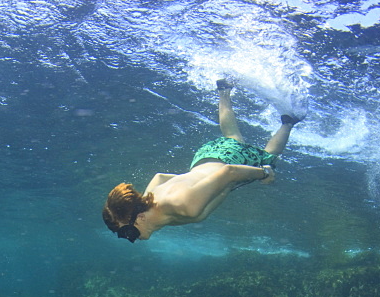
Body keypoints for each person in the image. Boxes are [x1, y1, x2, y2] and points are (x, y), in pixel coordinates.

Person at [102, 80, 304, 242]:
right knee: (232, 137)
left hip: (227, 163)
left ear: (140, 218)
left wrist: (265, 173)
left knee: (268, 158)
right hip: (202, 159)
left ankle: (288, 122)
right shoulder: (149, 202)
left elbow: (229, 173)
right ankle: (224, 90)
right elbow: (159, 176)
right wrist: (196, 180)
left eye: (127, 233)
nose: (130, 239)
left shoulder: (185, 205)